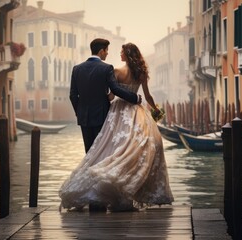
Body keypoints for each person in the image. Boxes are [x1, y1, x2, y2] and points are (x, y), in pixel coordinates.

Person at [59, 42, 174, 212]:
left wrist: (94, 104)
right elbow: (147, 95)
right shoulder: (141, 72)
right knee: (134, 145)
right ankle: (128, 185)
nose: (118, 54)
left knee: (108, 147)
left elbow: (112, 94)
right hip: (136, 110)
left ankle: (101, 187)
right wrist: (155, 108)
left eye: (121, 52)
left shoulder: (116, 71)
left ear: (127, 55)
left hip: (117, 110)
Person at [69, 38, 142, 154]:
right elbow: (116, 89)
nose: (107, 53)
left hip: (84, 117)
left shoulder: (77, 69)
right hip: (101, 115)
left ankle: (89, 171)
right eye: (107, 50)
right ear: (101, 51)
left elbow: (73, 95)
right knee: (101, 151)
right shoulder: (106, 68)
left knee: (89, 152)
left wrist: (79, 112)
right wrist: (135, 98)